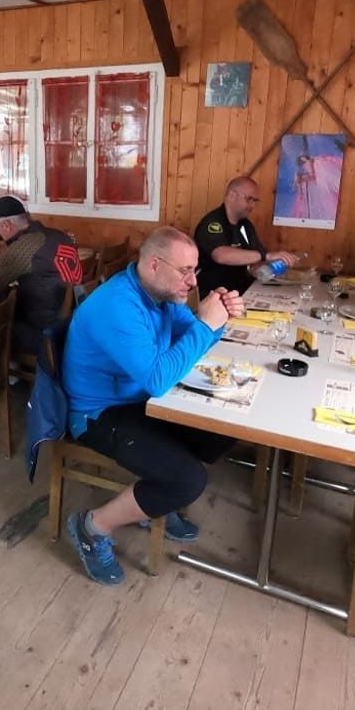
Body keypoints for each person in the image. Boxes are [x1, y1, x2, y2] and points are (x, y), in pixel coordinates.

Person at [60, 227, 245, 585]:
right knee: (188, 479)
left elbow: (195, 336)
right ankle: (92, 527)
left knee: (221, 432)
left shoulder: (161, 296)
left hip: (139, 401)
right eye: (185, 271)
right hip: (98, 415)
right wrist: (207, 325)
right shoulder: (118, 305)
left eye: (195, 271)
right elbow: (159, 378)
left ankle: (153, 501)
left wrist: (218, 318)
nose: (192, 282)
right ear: (155, 265)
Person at [0, 196, 81, 355]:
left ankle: (5, 376)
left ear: (7, 225)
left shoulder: (24, 247)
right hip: (70, 324)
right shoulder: (59, 235)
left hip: (44, 333)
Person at [194, 176, 300, 297]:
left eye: (255, 201)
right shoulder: (212, 223)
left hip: (242, 293)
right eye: (249, 199)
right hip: (213, 295)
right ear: (232, 195)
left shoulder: (246, 225)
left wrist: (275, 266)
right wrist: (266, 255)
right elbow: (220, 255)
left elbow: (255, 262)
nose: (252, 206)